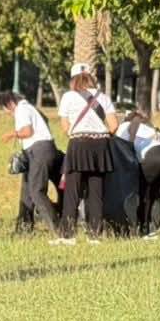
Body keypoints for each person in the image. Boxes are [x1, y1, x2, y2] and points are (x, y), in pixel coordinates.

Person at [55, 63, 120, 245]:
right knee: (96, 191)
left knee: (72, 191)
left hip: (78, 143)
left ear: (73, 79)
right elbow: (114, 126)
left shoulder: (68, 97)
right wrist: (102, 135)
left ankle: (68, 235)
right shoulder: (104, 97)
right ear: (90, 77)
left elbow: (65, 127)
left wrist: (77, 134)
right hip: (101, 145)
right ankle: (95, 235)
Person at [1, 91, 63, 236]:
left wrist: (12, 134)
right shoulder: (30, 107)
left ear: (10, 104)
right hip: (43, 150)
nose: (7, 113)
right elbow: (45, 120)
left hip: (39, 152)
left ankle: (59, 229)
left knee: (37, 192)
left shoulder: (21, 110)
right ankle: (24, 228)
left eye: (5, 110)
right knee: (27, 191)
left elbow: (28, 132)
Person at [118, 109, 160, 240]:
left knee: (144, 194)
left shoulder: (124, 127)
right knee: (156, 192)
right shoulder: (149, 127)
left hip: (152, 155)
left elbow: (122, 149)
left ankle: (143, 229)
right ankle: (155, 227)